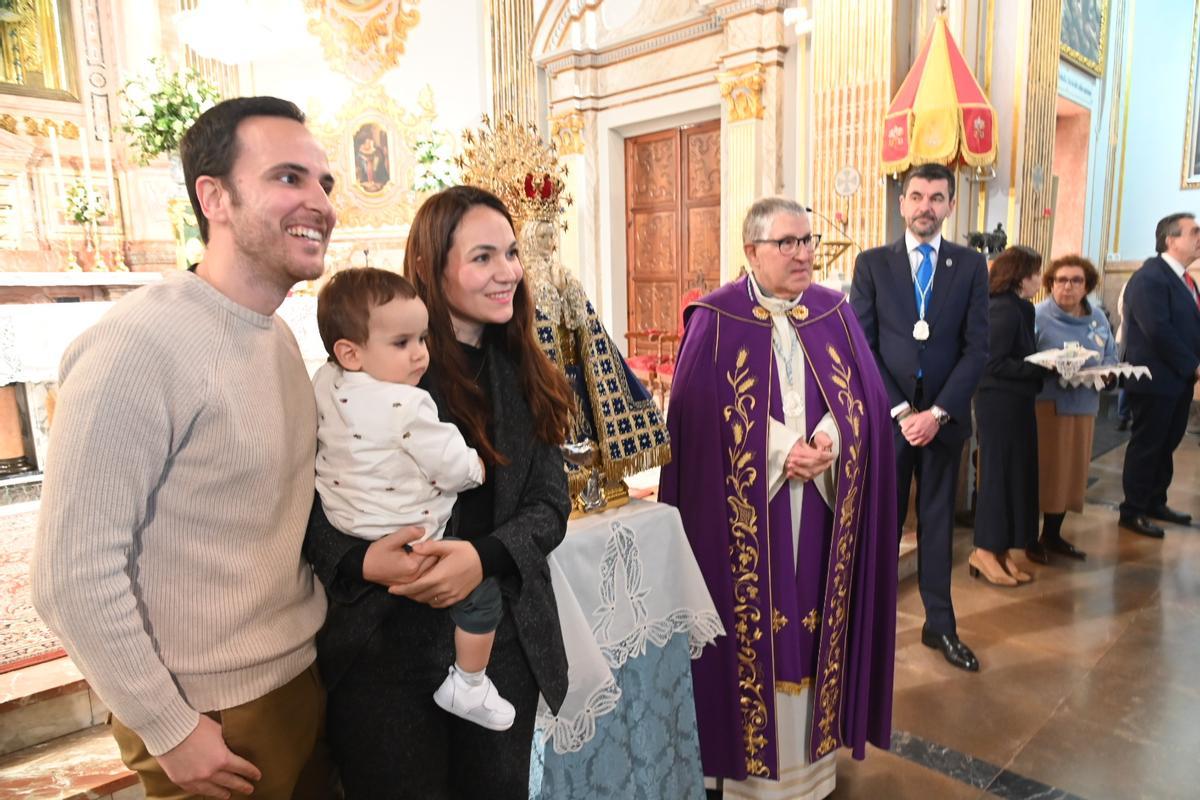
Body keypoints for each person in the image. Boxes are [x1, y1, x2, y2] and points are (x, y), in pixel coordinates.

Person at [32, 97, 335, 799]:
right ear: (214, 197)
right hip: (212, 710)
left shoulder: (275, 334)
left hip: (296, 673)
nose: (320, 203)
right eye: (288, 177)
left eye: (324, 183)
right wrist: (167, 727)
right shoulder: (138, 345)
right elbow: (69, 574)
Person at [304, 185, 573, 799]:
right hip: (386, 645)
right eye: (483, 257)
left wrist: (483, 556)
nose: (508, 271)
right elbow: (310, 502)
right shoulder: (365, 373)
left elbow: (549, 502)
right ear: (429, 265)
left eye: (511, 253)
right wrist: (361, 560)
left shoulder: (524, 368)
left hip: (497, 644)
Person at [660, 197, 898, 798]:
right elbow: (694, 417)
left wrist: (831, 437)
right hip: (750, 511)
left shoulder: (834, 312)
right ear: (752, 251)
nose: (802, 254)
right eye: (786, 243)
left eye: (807, 241)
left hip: (821, 502)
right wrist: (778, 450)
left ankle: (810, 772)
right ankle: (745, 778)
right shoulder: (714, 319)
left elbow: (866, 400)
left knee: (818, 626)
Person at [313, 267, 523, 731]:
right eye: (402, 343)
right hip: (410, 538)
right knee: (481, 598)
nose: (419, 354)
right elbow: (449, 465)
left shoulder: (325, 383)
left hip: (350, 521)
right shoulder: (408, 405)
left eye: (422, 339)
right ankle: (469, 684)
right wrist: (477, 467)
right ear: (350, 352)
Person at [850, 162, 989, 673]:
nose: (925, 206)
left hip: (944, 423)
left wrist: (938, 413)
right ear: (902, 203)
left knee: (937, 525)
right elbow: (862, 345)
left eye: (936, 197)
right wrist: (903, 409)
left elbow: (977, 349)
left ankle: (940, 625)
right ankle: (870, 629)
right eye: (916, 196)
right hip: (891, 421)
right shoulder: (872, 265)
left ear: (950, 205)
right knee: (881, 525)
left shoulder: (970, 266)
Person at [1118, 212, 1200, 538]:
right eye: (1194, 232)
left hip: (1176, 380)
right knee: (1148, 446)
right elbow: (1158, 330)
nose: (1199, 238)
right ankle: (1132, 511)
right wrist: (1193, 365)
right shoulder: (1150, 277)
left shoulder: (1184, 280)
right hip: (1154, 380)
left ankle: (1155, 501)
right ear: (1170, 240)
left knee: (1167, 444)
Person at [1031, 255, 1117, 563]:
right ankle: (1029, 538)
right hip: (1046, 406)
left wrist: (1109, 374)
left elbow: (1110, 355)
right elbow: (1023, 360)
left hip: (1084, 405)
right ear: (1050, 284)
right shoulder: (1037, 316)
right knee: (1044, 473)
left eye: (1076, 280)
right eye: (1061, 280)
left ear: (1087, 285)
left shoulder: (1098, 319)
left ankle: (1052, 535)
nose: (1068, 286)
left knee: (1070, 474)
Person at [970, 246, 1047, 586]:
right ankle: (984, 550)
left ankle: (1001, 550)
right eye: (1036, 273)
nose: (1040, 279)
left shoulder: (1020, 307)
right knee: (997, 476)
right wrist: (1042, 367)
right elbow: (991, 363)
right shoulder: (1001, 307)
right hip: (998, 403)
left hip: (1016, 402)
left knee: (1016, 475)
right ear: (1020, 275)